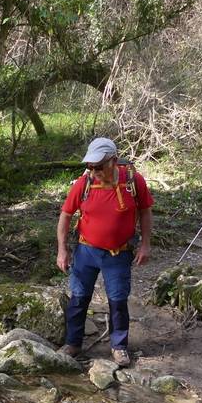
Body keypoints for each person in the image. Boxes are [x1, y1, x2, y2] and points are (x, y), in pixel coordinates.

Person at [56, 137, 154, 367]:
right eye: (90, 166)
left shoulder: (133, 181)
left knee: (118, 300)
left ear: (114, 160)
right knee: (79, 298)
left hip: (118, 254)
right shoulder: (84, 184)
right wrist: (62, 250)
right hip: (86, 251)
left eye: (99, 166)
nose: (94, 171)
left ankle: (119, 346)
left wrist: (145, 244)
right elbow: (66, 216)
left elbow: (146, 211)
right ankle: (73, 343)